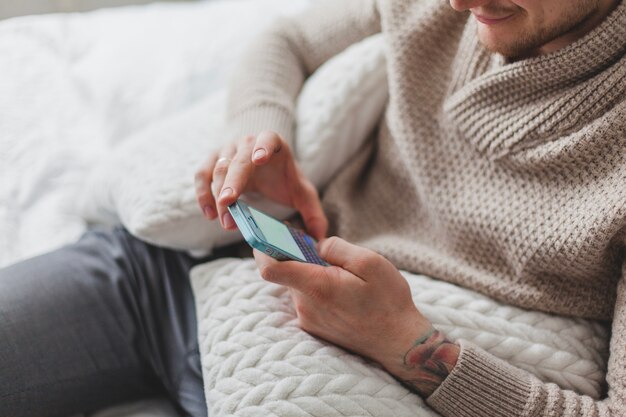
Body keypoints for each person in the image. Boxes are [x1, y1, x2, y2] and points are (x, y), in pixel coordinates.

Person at [1, 0, 624, 416]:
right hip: (178, 275)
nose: (459, 3)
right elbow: (287, 39)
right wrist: (261, 131)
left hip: (332, 382)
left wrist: (407, 345)